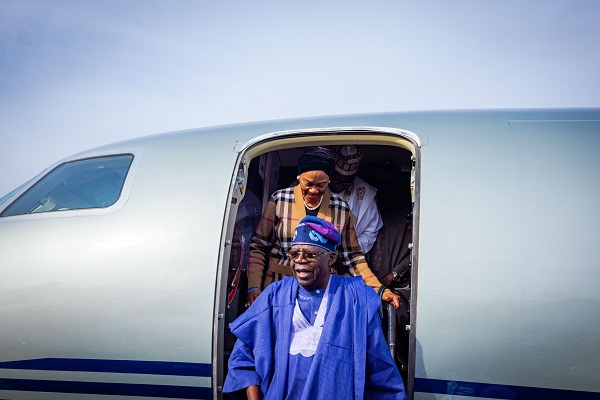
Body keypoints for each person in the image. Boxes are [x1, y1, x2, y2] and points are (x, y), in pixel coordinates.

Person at [224, 216, 407, 400]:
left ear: (331, 258)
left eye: (310, 254)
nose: (300, 260)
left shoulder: (355, 299)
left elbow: (381, 373)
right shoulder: (275, 295)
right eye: (294, 254)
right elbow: (243, 356)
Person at [246, 146, 400, 309]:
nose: (313, 190)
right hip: (279, 288)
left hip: (324, 294)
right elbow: (258, 247)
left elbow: (354, 257)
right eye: (308, 183)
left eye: (321, 184)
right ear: (299, 177)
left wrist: (379, 289)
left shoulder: (340, 208)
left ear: (329, 181)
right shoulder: (279, 201)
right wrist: (254, 286)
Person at [329, 145, 383, 253]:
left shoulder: (365, 193)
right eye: (335, 180)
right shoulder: (313, 186)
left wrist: (349, 252)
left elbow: (370, 232)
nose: (339, 186)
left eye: (346, 182)